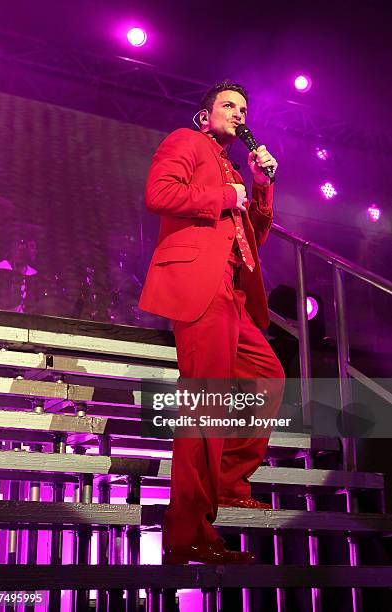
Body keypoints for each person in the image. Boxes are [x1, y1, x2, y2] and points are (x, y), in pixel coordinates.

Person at [139, 81, 285, 564]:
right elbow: (159, 192)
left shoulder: (233, 165)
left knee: (268, 378)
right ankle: (187, 534)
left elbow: (253, 237)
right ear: (205, 116)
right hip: (201, 287)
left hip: (233, 292)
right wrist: (227, 192)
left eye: (244, 107)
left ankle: (226, 485)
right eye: (228, 105)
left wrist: (259, 186)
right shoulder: (187, 140)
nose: (239, 113)